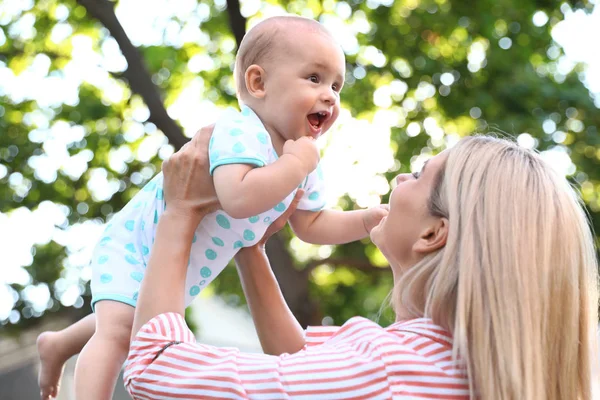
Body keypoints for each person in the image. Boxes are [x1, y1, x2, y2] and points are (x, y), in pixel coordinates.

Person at [36, 16, 388, 400]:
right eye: (315, 79)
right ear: (258, 83)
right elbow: (238, 199)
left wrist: (366, 221)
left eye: (336, 86)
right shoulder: (241, 130)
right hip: (137, 244)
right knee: (120, 331)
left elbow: (312, 225)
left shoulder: (300, 154)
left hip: (179, 265)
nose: (330, 95)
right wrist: (295, 165)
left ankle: (57, 345)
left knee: (129, 315)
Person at [124, 127, 599, 399]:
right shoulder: (451, 366)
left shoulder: (388, 370)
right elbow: (299, 360)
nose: (398, 178)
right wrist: (250, 244)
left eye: (417, 174)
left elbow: (154, 369)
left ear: (434, 233)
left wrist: (180, 212)